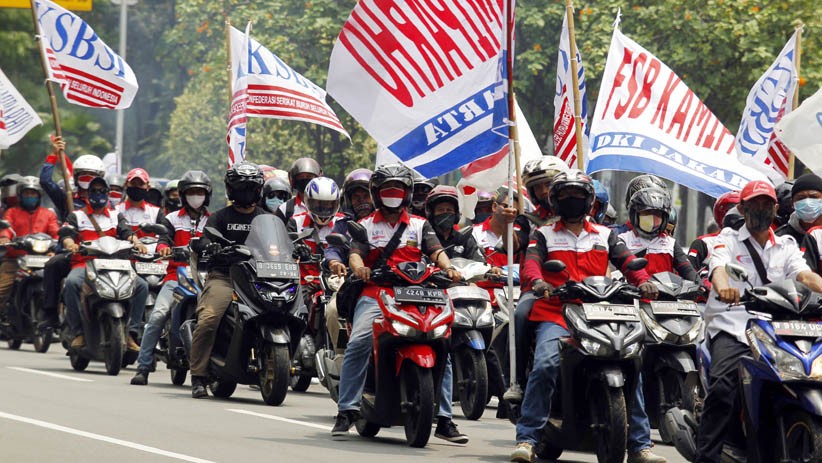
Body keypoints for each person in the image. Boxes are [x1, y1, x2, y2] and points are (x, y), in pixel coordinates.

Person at [510, 169, 661, 463]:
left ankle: (641, 445)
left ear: (589, 200)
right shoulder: (543, 235)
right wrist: (539, 283)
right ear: (555, 201)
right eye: (565, 196)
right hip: (557, 313)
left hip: (602, 313)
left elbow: (629, 262)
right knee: (545, 365)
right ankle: (527, 438)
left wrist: (644, 281)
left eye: (578, 196)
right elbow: (531, 266)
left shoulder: (607, 236)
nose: (572, 201)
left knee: (631, 363)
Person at [330, 163, 467, 444]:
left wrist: (449, 268)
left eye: (398, 190)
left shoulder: (419, 224)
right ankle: (347, 410)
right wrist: (359, 268)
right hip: (376, 293)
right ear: (377, 194)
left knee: (443, 342)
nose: (392, 195)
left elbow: (436, 251)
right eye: (387, 190)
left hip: (418, 293)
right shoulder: (365, 225)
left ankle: (444, 418)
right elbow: (356, 254)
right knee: (358, 342)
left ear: (406, 194)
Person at [696, 180, 822, 462]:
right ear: (742, 208)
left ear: (776, 207)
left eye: (767, 204)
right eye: (755, 204)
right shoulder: (727, 239)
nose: (761, 209)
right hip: (733, 327)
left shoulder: (787, 245)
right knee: (723, 387)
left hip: (776, 329)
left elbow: (804, 276)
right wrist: (723, 286)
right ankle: (707, 457)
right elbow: (718, 267)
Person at [188, 162, 267, 399]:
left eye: (250, 187)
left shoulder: (266, 218)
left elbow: (282, 242)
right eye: (241, 187)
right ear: (231, 190)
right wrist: (209, 246)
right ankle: (199, 376)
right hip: (224, 277)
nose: (246, 192)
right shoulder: (219, 218)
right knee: (209, 319)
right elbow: (202, 240)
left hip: (258, 279)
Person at [131, 171, 212, 385]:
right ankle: (143, 366)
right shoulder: (172, 219)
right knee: (157, 316)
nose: (196, 196)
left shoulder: (214, 220)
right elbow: (163, 239)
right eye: (192, 192)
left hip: (206, 278)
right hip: (177, 277)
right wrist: (165, 249)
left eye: (200, 192)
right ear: (184, 195)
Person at [60, 177, 149, 351]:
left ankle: (131, 334)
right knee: (71, 283)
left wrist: (137, 242)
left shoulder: (116, 216)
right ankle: (78, 332)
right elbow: (66, 233)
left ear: (108, 194)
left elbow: (127, 232)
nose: (98, 194)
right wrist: (70, 243)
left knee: (142, 286)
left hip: (114, 265)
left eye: (102, 191)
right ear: (88, 193)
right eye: (94, 190)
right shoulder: (77, 216)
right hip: (85, 265)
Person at [40, 138, 107, 328]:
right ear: (76, 177)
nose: (87, 180)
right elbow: (45, 181)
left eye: (91, 176)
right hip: (71, 253)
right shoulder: (66, 198)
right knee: (53, 264)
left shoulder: (108, 203)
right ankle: (50, 313)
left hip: (101, 255)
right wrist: (54, 154)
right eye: (83, 176)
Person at [287, 176, 345, 324]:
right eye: (319, 205)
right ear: (307, 202)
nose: (324, 210)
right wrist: (297, 250)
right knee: (289, 317)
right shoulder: (296, 222)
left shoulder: (342, 223)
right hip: (303, 284)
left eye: (329, 205)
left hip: (335, 283)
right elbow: (285, 249)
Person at [0, 177, 59, 319]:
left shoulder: (48, 214)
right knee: (2, 289)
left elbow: (56, 233)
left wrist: (55, 249)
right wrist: (4, 237)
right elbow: (6, 228)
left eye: (33, 194)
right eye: (27, 193)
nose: (30, 197)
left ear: (39, 196)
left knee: (58, 286)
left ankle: (54, 318)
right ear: (20, 195)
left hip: (43, 259)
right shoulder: (12, 212)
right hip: (15, 258)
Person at [687, 191, 740, 272]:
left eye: (743, 211)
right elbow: (688, 274)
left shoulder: (756, 244)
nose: (738, 216)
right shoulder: (703, 243)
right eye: (732, 210)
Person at [472, 186, 521, 267]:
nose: (510, 212)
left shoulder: (520, 235)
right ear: (494, 207)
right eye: (506, 206)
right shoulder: (474, 232)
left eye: (515, 211)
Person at [775, 173, 822, 243]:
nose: (807, 203)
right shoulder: (781, 238)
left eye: (813, 197)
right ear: (792, 203)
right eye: (801, 198)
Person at [117, 168, 165, 235]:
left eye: (141, 184)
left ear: (148, 187)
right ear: (126, 185)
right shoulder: (116, 210)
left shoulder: (156, 212)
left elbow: (165, 237)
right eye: (133, 183)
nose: (137, 187)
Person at [275, 157, 321, 223]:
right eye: (301, 177)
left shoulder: (329, 205)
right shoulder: (285, 209)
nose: (305, 179)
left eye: (309, 176)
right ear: (294, 180)